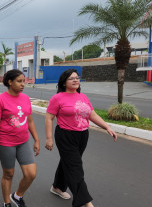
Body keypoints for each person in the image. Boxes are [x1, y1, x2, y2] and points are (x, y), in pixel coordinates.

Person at [45, 69, 117, 207]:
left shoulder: (82, 97)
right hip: (65, 135)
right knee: (75, 167)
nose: (75, 80)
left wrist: (107, 127)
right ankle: (85, 202)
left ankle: (57, 187)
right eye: (71, 78)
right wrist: (49, 138)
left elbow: (92, 115)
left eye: (77, 77)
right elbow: (49, 118)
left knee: (68, 162)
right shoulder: (58, 98)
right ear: (64, 82)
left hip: (83, 135)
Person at [0, 69, 40, 207]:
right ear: (10, 82)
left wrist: (36, 139)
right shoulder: (0, 100)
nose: (23, 84)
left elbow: (29, 121)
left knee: (31, 174)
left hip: (23, 142)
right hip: (6, 143)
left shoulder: (25, 98)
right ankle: (6, 203)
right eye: (19, 81)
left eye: (24, 81)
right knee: (8, 174)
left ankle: (17, 196)